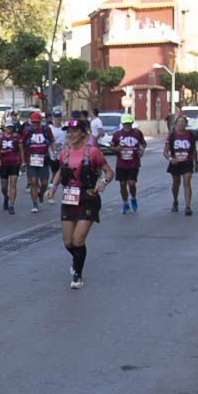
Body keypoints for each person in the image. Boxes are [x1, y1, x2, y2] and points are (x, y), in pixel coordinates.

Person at [45, 120, 113, 289]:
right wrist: (52, 187)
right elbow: (60, 172)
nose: (71, 134)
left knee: (78, 239)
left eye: (75, 131)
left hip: (88, 198)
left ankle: (77, 275)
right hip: (69, 198)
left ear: (83, 133)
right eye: (69, 131)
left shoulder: (93, 152)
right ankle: (77, 259)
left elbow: (109, 172)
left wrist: (104, 182)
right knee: (68, 242)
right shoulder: (64, 153)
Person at [108, 114, 146, 214]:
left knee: (132, 183)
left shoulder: (137, 133)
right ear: (122, 124)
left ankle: (133, 197)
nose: (127, 125)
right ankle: (125, 203)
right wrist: (116, 149)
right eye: (125, 124)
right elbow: (111, 147)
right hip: (121, 163)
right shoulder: (117, 134)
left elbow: (143, 143)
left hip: (134, 163)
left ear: (132, 123)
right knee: (122, 184)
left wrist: (141, 150)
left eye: (129, 123)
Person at [163, 116, 198, 216]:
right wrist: (171, 159)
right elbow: (165, 152)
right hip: (175, 163)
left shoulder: (190, 135)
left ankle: (187, 206)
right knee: (176, 183)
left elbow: (194, 150)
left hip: (187, 162)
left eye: (183, 122)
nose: (181, 124)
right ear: (176, 124)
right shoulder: (172, 136)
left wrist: (196, 163)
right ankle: (175, 200)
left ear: (186, 124)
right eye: (179, 122)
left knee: (187, 182)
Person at [22, 112, 53, 214]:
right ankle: (35, 204)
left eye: (37, 122)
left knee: (44, 183)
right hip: (31, 159)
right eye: (33, 122)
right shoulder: (27, 131)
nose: (35, 124)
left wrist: (55, 152)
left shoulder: (46, 129)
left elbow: (52, 140)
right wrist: (23, 159)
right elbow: (21, 144)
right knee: (33, 182)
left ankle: (40, 194)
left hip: (44, 159)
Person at [0, 121, 23, 214]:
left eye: (10, 127)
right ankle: (6, 196)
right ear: (4, 128)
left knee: (13, 184)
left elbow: (21, 150)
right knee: (4, 187)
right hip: (4, 164)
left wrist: (22, 162)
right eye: (7, 127)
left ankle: (11, 205)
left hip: (14, 163)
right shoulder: (0, 137)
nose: (9, 129)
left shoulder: (17, 137)